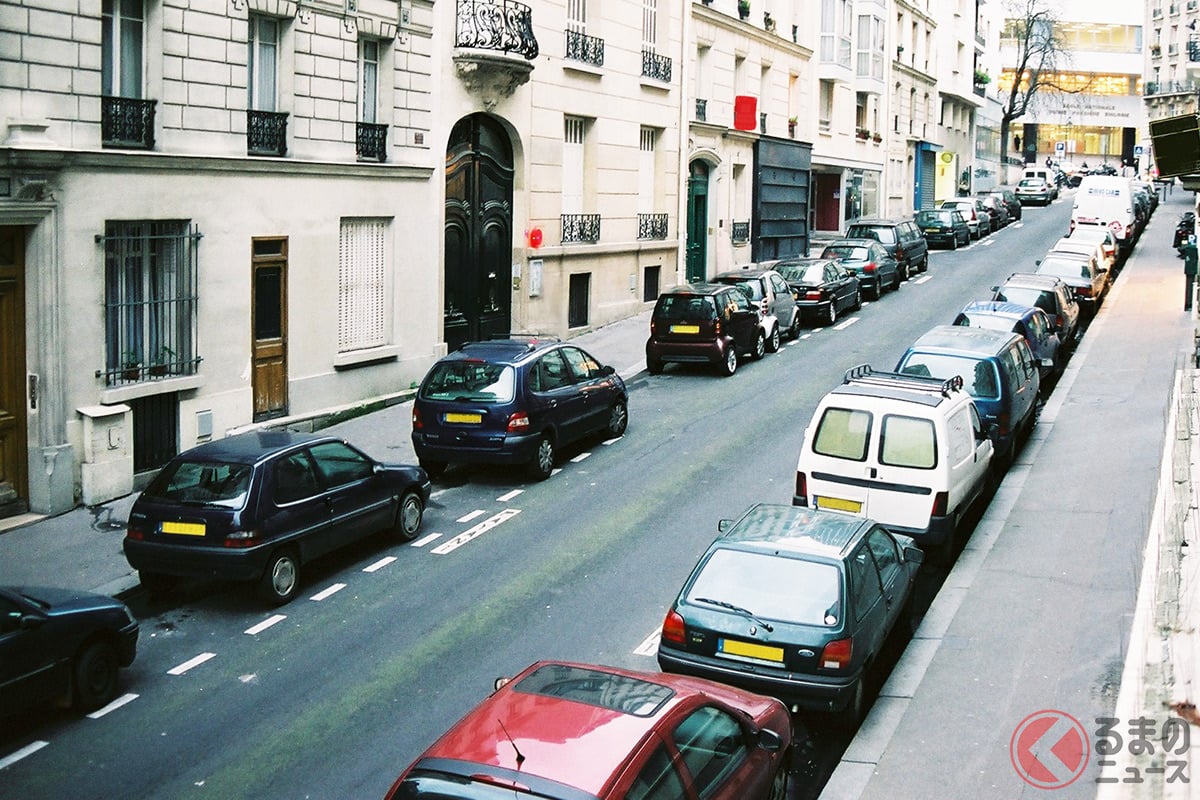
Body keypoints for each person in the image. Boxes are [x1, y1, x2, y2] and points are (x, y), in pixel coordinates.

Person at [1184, 236, 1198, 311]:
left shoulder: (1189, 250)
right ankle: (1189, 304)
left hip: (1190, 270)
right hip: (1191, 270)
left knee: (1190, 286)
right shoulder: (1192, 250)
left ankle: (1188, 304)